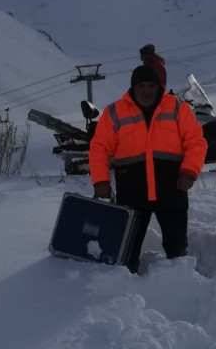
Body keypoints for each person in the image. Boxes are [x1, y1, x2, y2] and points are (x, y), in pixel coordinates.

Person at [89, 64, 208, 274]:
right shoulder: (114, 112)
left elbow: (196, 142)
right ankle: (125, 289)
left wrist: (189, 171)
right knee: (126, 250)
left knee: (177, 249)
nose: (146, 91)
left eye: (151, 85)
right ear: (133, 88)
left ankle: (181, 282)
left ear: (159, 87)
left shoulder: (177, 108)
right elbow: (99, 148)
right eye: (141, 86)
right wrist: (101, 181)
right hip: (132, 191)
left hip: (172, 188)